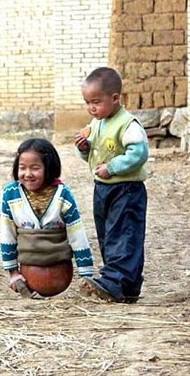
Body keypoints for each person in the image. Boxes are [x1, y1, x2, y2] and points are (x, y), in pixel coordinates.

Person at [74, 67, 149, 303]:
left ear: (115, 98)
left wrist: (113, 168)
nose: (91, 108)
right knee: (107, 234)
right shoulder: (98, 123)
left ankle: (114, 280)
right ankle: (125, 286)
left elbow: (139, 153)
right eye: (87, 103)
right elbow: (95, 153)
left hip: (126, 189)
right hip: (103, 189)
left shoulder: (128, 124)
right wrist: (84, 149)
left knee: (123, 234)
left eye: (96, 102)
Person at [0, 138, 95, 296]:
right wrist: (13, 273)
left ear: (49, 167)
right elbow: (7, 234)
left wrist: (86, 275)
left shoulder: (62, 195)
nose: (28, 174)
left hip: (60, 273)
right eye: (22, 168)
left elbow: (77, 234)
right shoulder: (11, 194)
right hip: (28, 272)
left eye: (35, 168)